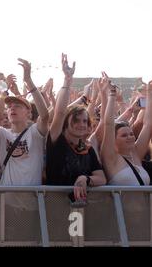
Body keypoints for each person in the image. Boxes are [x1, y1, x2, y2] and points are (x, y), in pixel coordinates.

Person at [46, 54, 106, 202]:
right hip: (55, 206)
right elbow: (59, 113)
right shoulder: (56, 140)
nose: (82, 124)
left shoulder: (87, 148)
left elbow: (101, 178)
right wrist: (67, 80)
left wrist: (85, 179)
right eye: (77, 120)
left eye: (85, 121)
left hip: (83, 207)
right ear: (66, 122)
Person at [0, 58, 49, 186]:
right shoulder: (3, 134)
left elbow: (45, 115)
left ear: (28, 113)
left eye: (18, 105)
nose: (12, 108)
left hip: (31, 201)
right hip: (6, 200)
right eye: (10, 106)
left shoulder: (35, 132)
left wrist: (28, 80)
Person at [101, 81, 152, 185]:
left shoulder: (136, 154)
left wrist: (150, 93)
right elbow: (108, 124)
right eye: (124, 135)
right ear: (113, 140)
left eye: (131, 134)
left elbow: (148, 125)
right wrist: (112, 94)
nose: (130, 137)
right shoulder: (110, 158)